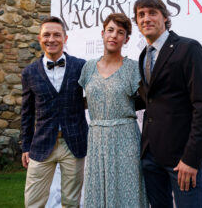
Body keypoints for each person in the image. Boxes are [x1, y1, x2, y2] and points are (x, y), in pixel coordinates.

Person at [134, 0, 202, 208]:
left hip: (181, 159)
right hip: (150, 156)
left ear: (165, 17)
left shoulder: (188, 48)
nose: (146, 18)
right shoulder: (143, 55)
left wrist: (191, 158)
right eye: (141, 15)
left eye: (152, 13)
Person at [78, 13, 148, 208]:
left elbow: (147, 101)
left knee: (128, 191)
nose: (114, 35)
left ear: (126, 39)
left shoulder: (134, 68)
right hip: (97, 138)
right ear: (102, 33)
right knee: (98, 191)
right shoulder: (88, 68)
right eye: (110, 30)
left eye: (120, 32)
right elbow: (83, 101)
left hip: (125, 138)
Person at [21, 16, 88, 208]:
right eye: (46, 35)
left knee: (71, 202)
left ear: (65, 38)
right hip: (41, 144)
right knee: (33, 201)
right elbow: (27, 113)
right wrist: (25, 146)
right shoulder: (29, 72)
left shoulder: (80, 66)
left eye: (57, 35)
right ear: (39, 38)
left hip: (73, 144)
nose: (51, 39)